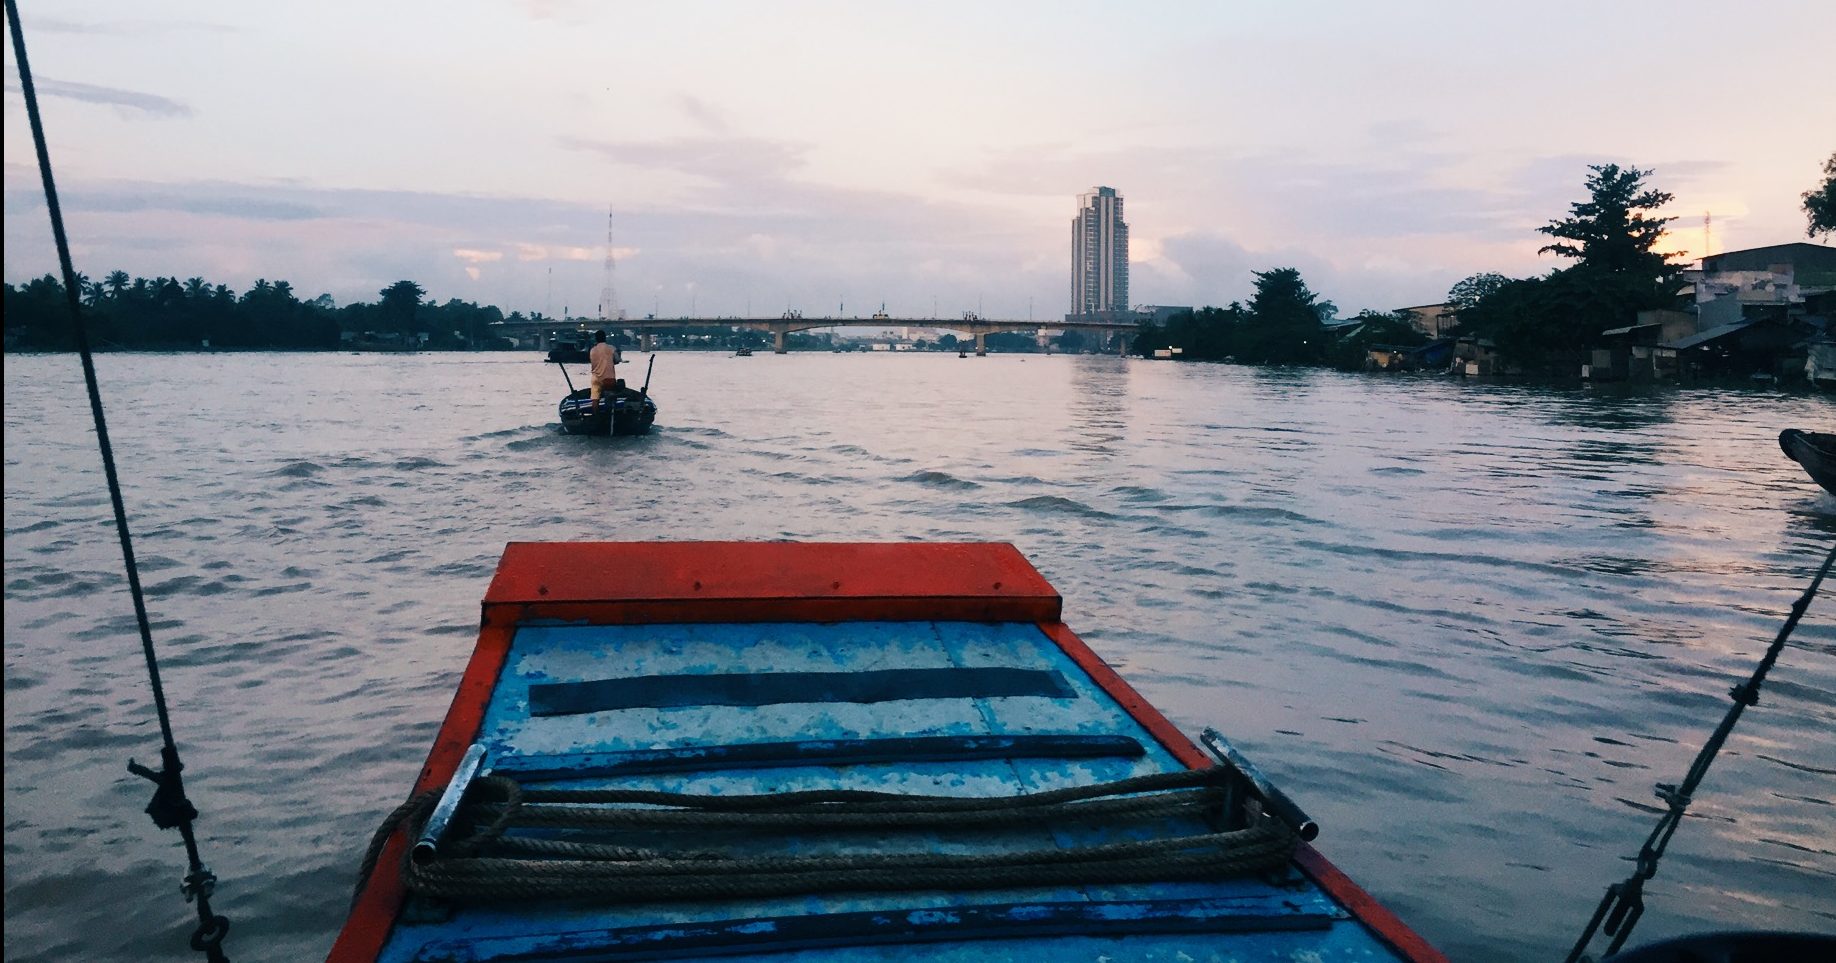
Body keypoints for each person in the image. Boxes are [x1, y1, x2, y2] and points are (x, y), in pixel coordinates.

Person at [588, 330, 618, 412]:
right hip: (608, 378)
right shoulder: (611, 348)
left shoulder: (592, 350)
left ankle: (595, 415)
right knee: (610, 397)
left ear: (596, 339)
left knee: (595, 399)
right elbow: (617, 359)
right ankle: (609, 414)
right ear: (605, 338)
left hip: (595, 378)